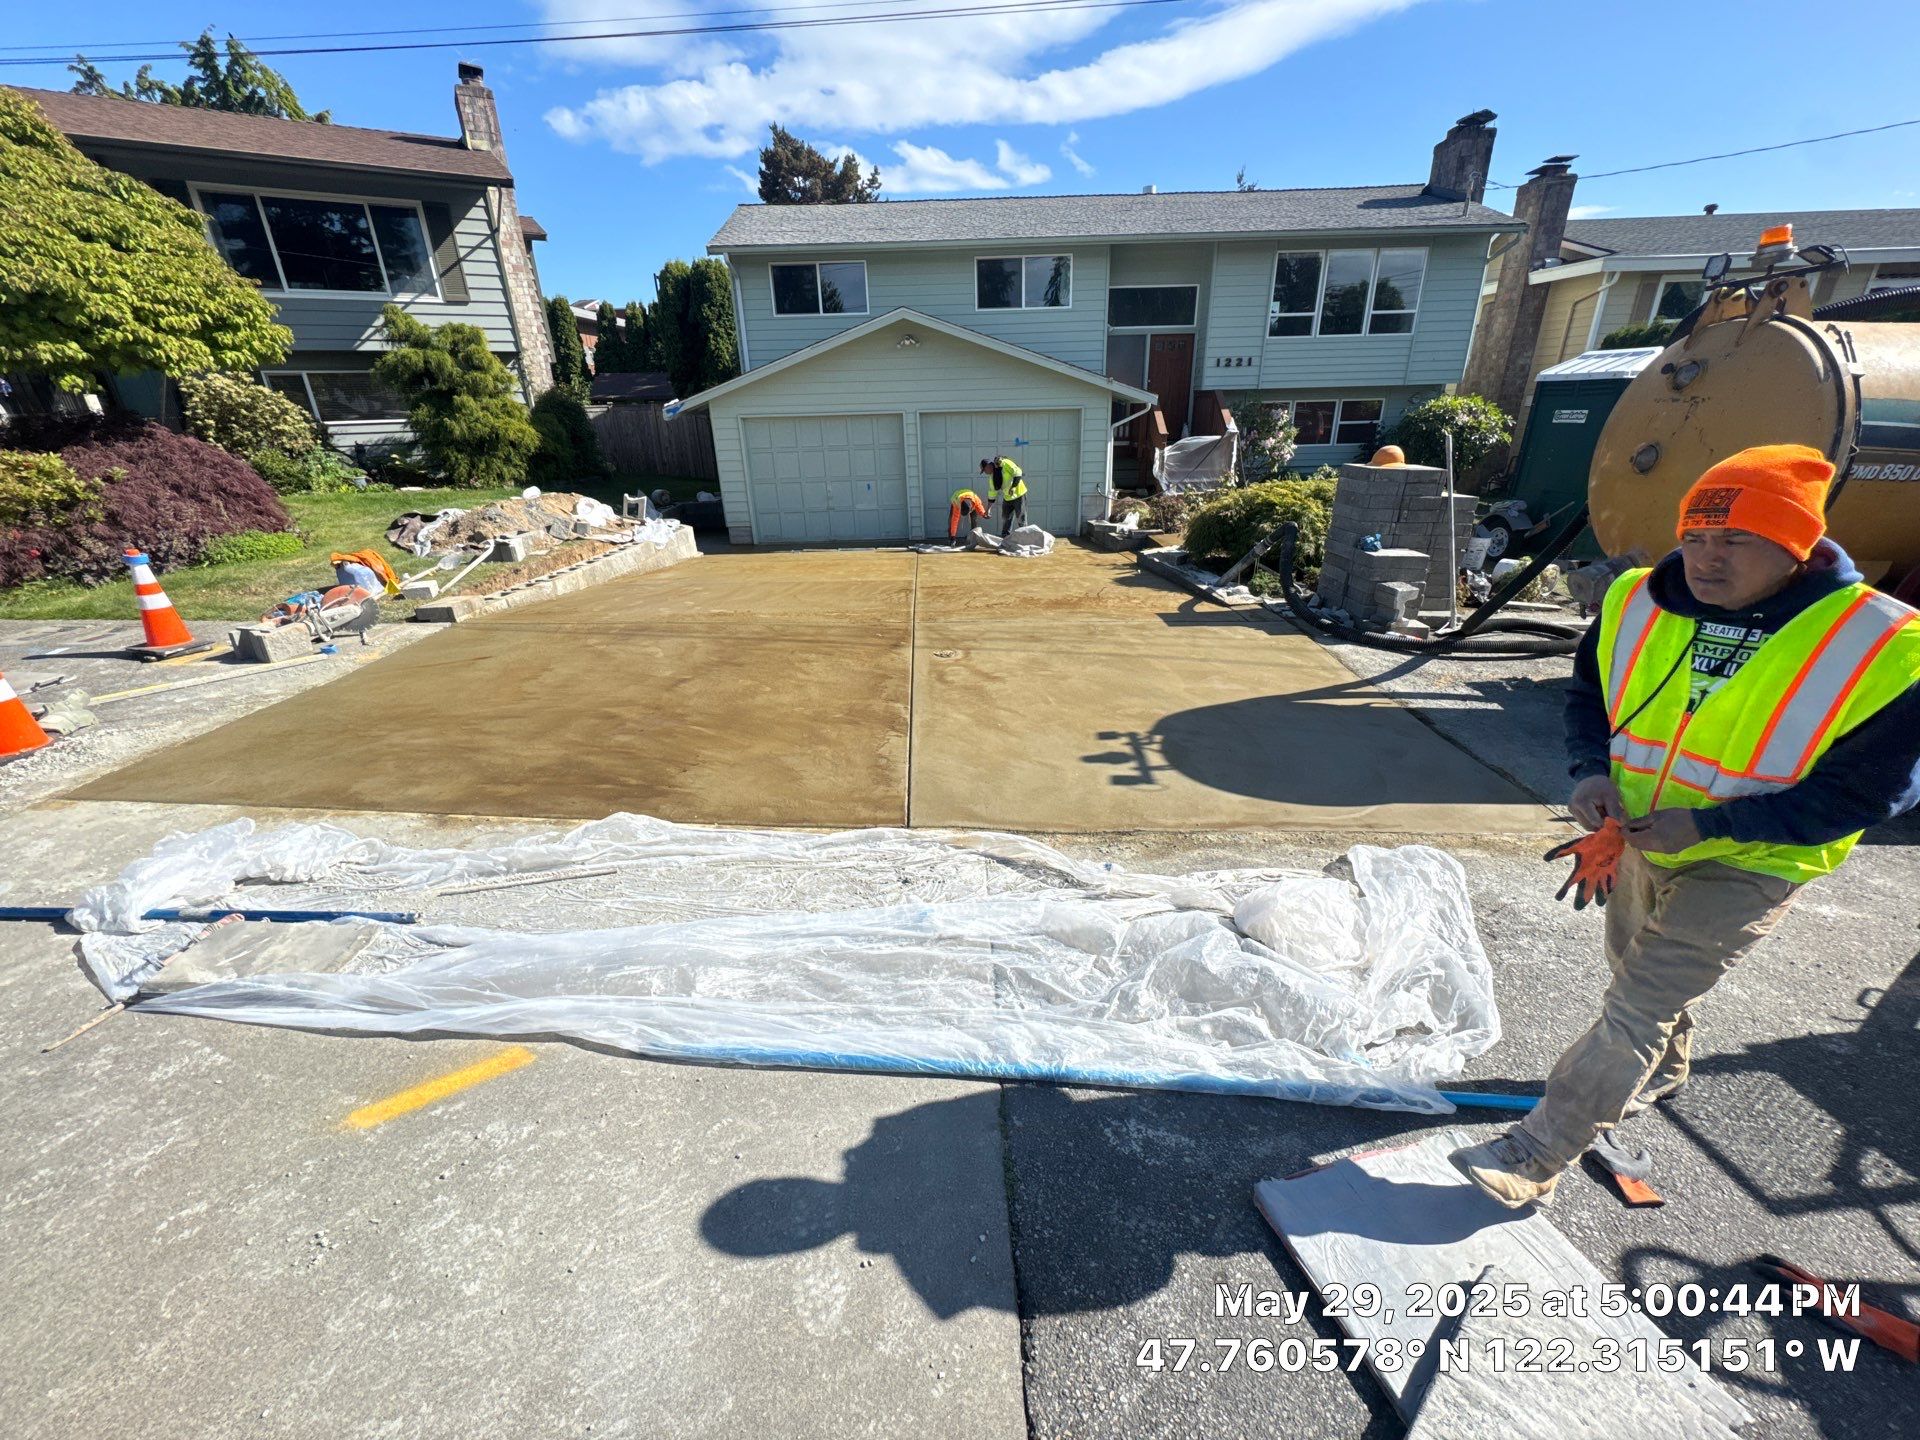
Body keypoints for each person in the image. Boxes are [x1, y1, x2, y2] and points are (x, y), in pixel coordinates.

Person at [1452, 444, 1920, 1208]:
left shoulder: (1886, 644)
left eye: (1736, 540)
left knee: (1636, 1003)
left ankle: (1535, 1154)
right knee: (1634, 969)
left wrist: (1707, 826)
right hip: (1643, 835)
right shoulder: (1637, 598)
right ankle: (1664, 1071)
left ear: (1795, 545)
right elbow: (1590, 699)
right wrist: (1590, 769)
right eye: (1696, 537)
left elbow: (1868, 796)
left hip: (1758, 860)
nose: (1707, 558)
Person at [980, 456, 1027, 535]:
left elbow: (1018, 472)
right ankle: (1005, 539)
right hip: (1007, 497)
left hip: (1019, 494)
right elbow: (992, 493)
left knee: (1021, 519)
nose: (985, 472)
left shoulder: (1004, 463)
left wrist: (1013, 487)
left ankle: (1025, 539)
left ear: (988, 466)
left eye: (984, 470)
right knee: (1006, 519)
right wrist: (988, 509)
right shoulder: (992, 477)